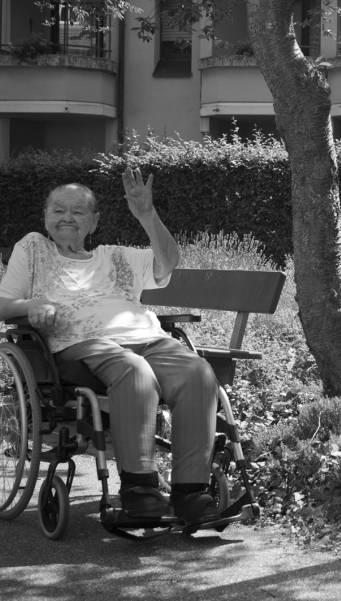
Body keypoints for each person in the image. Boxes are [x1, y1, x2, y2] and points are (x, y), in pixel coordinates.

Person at [0, 168, 220, 526]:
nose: (67, 217)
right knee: (135, 372)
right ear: (45, 217)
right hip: (82, 343)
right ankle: (140, 490)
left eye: (78, 211)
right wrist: (31, 304)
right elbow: (3, 303)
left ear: (95, 221)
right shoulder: (34, 248)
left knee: (199, 373)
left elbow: (168, 263)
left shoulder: (117, 256)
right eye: (58, 210)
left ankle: (191, 492)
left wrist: (147, 215)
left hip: (147, 337)